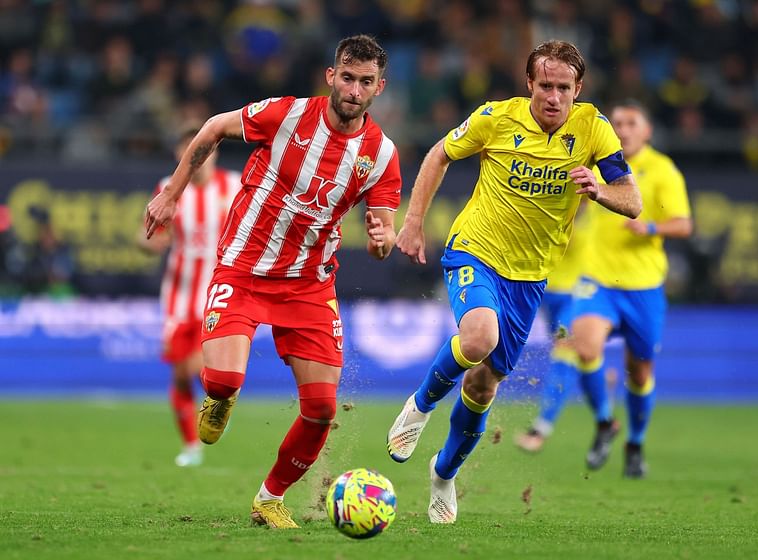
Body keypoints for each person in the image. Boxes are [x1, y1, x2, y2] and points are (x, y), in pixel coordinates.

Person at [144, 34, 401, 528]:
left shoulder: (381, 154)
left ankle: (268, 499)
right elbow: (214, 128)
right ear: (332, 76)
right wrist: (173, 193)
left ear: (379, 88)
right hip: (243, 269)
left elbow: (383, 225)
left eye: (365, 82)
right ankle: (219, 399)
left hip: (309, 285)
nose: (353, 89)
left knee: (323, 408)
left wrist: (382, 238)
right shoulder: (286, 115)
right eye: (346, 77)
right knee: (222, 379)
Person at [387, 40, 642, 524]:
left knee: (483, 388)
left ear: (578, 89)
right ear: (529, 84)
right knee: (479, 337)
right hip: (475, 249)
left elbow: (633, 201)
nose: (553, 96)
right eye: (544, 85)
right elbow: (439, 154)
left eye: (563, 88)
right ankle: (419, 408)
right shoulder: (496, 118)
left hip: (529, 278)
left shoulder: (594, 129)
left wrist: (600, 191)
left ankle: (443, 474)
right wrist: (414, 221)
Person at [520, 100, 692, 477]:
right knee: (584, 345)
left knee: (640, 372)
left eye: (632, 123)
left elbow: (683, 224)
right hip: (597, 281)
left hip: (643, 286)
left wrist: (650, 228)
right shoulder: (600, 162)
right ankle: (603, 421)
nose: (623, 129)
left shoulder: (662, 170)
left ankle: (635, 443)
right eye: (617, 123)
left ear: (646, 131)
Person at [137, 124, 239, 468]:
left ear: (215, 153)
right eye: (191, 151)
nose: (200, 158)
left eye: (206, 150)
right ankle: (192, 445)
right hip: (179, 297)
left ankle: (220, 399)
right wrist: (151, 243)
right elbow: (146, 237)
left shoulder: (234, 186)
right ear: (180, 156)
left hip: (219, 295)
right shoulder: (168, 189)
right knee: (181, 375)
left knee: (199, 367)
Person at [514, 203, 592, 453]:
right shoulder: (554, 205)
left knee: (563, 356)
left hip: (574, 298)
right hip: (548, 296)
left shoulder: (595, 215)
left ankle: (541, 430)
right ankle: (604, 407)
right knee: (578, 358)